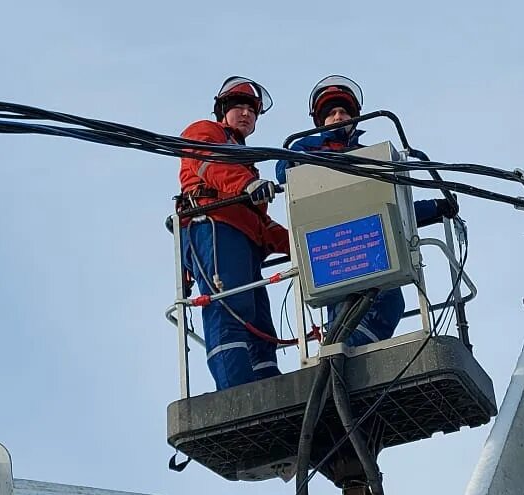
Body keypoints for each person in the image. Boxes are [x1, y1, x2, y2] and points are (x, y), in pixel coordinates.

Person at [275, 75, 457, 348]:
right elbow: (282, 170)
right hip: (333, 246)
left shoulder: (371, 156)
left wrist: (436, 207)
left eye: (343, 112)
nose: (338, 117)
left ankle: (348, 353)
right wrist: (336, 161)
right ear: (320, 121)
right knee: (343, 308)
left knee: (390, 302)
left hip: (372, 241)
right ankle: (341, 353)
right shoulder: (306, 148)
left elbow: (397, 209)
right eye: (331, 113)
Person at [176, 76, 288, 391]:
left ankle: (267, 383)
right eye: (237, 107)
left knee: (259, 323)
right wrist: (245, 185)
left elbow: (260, 224)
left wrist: (306, 244)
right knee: (229, 309)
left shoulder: (247, 166)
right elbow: (209, 162)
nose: (245, 114)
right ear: (222, 111)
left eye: (251, 110)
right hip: (214, 229)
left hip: (245, 243)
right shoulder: (206, 133)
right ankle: (237, 391)